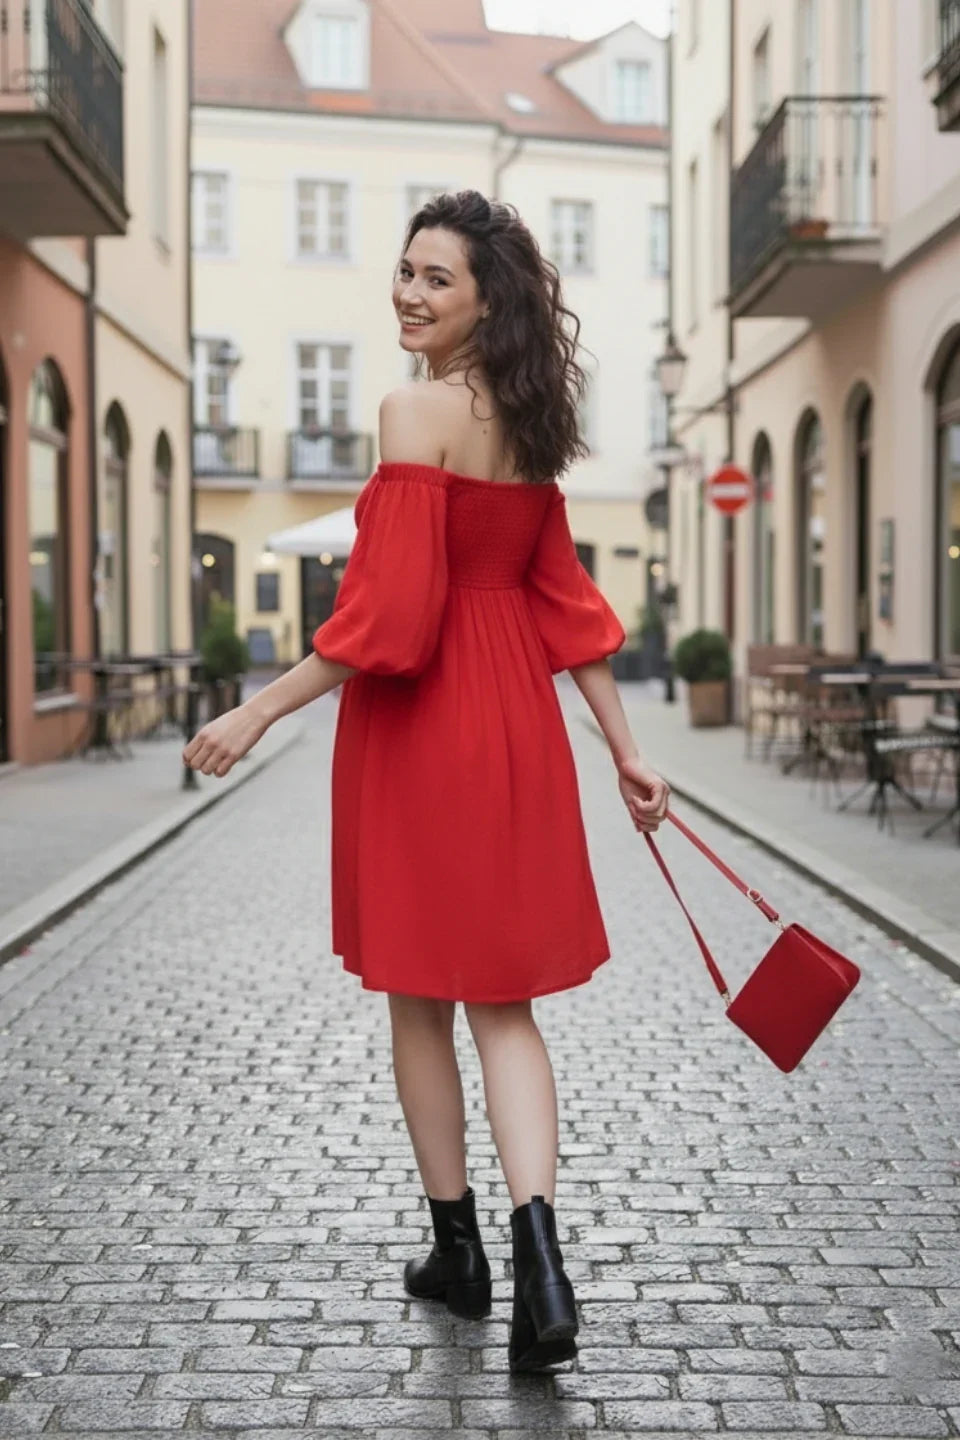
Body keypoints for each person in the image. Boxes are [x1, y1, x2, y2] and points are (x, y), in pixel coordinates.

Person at [183, 190, 670, 1374]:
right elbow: (567, 611)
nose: (408, 291)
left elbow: (386, 621)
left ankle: (461, 1253)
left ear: (484, 300)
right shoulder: (530, 424)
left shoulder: (414, 410)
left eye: (435, 278)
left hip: (423, 725)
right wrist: (622, 749)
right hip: (517, 724)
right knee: (508, 1005)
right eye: (404, 271)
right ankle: (540, 1267)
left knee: (419, 999)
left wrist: (256, 707)